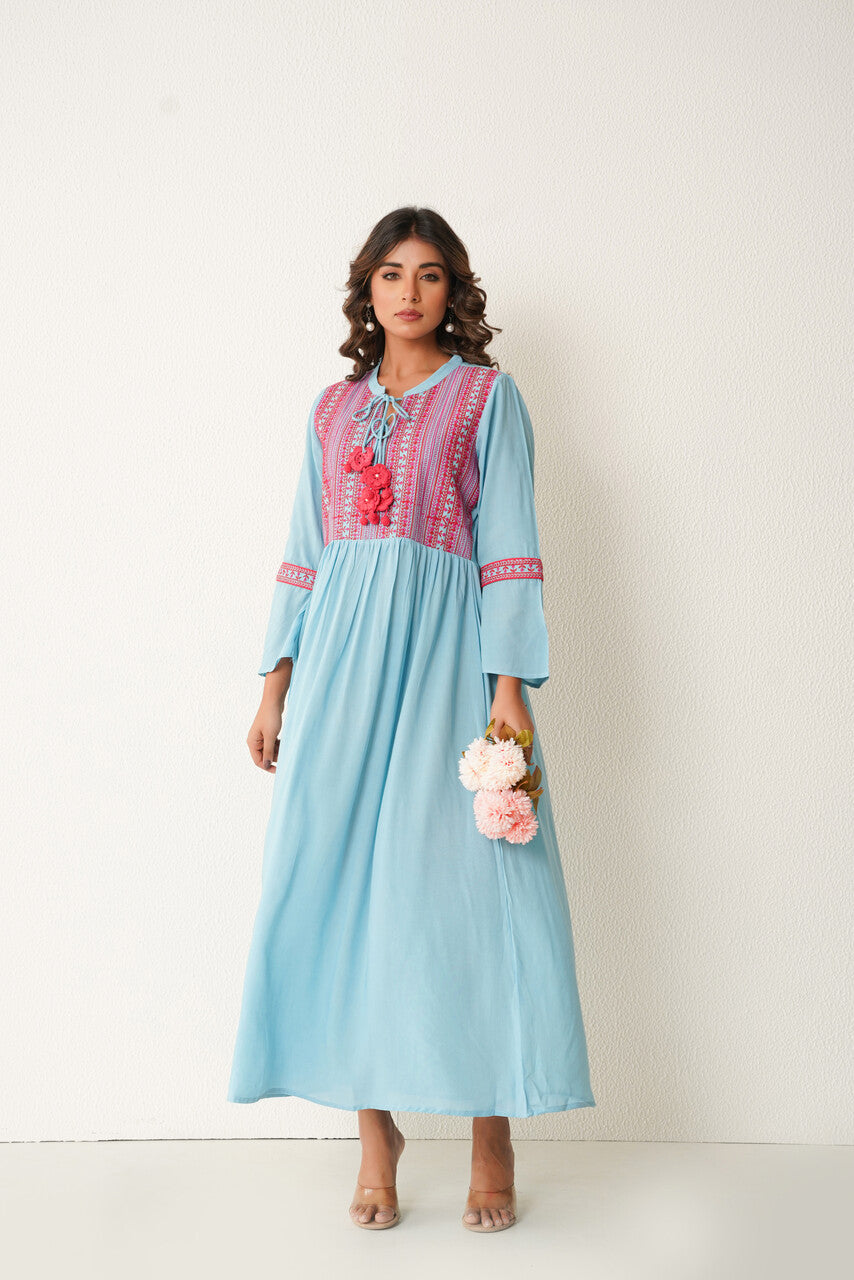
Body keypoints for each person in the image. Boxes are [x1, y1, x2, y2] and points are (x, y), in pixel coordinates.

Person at [227, 206, 595, 1233]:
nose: (408, 291)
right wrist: (273, 686)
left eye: (428, 274)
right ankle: (373, 1133)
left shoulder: (485, 396)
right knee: (344, 885)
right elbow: (304, 550)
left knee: (463, 889)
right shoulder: (332, 409)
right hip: (340, 671)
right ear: (367, 289)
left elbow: (509, 545)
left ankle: (490, 1132)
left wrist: (507, 691)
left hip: (445, 666)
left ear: (452, 291)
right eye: (390, 273)